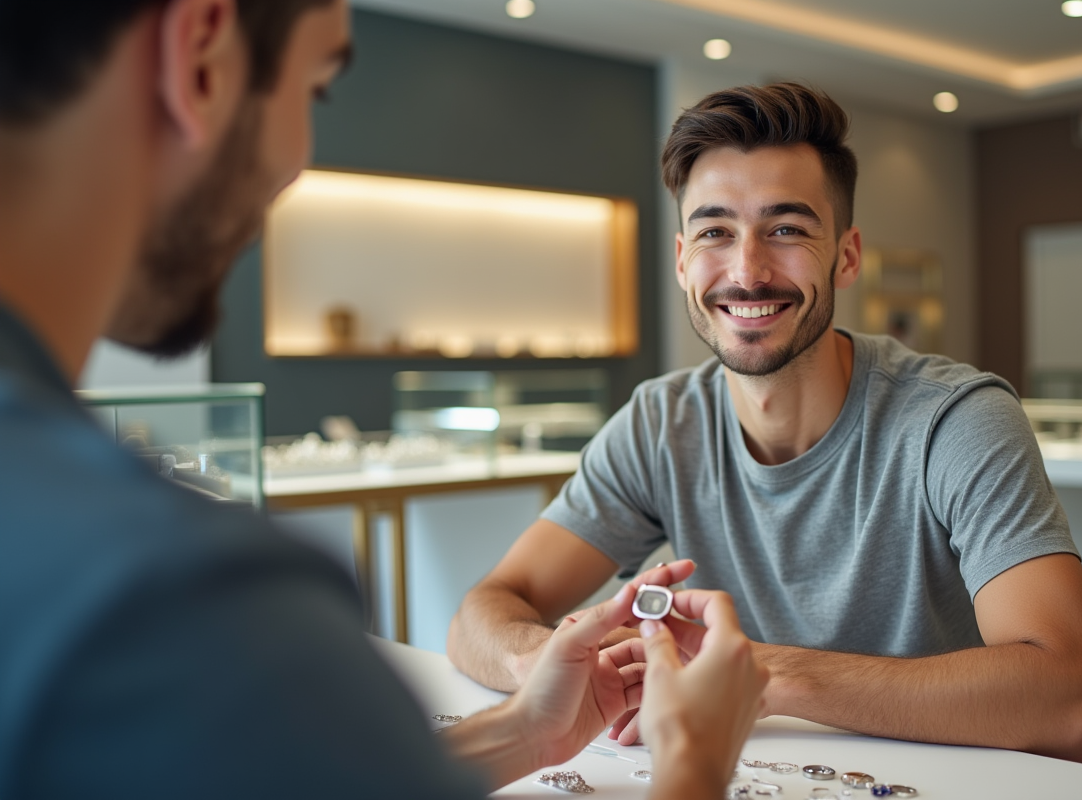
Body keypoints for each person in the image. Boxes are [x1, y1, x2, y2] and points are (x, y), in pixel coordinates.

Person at [0, 2, 768, 797]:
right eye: (317, 88)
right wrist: (694, 760)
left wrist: (520, 730)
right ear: (200, 57)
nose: (298, 162)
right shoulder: (178, 605)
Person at [448, 82, 1082, 766]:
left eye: (787, 229)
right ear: (683, 261)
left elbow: (1081, 705)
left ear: (848, 256)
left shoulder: (955, 421)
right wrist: (545, 663)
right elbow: (488, 609)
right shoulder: (660, 422)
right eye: (716, 231)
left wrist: (761, 673)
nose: (747, 271)